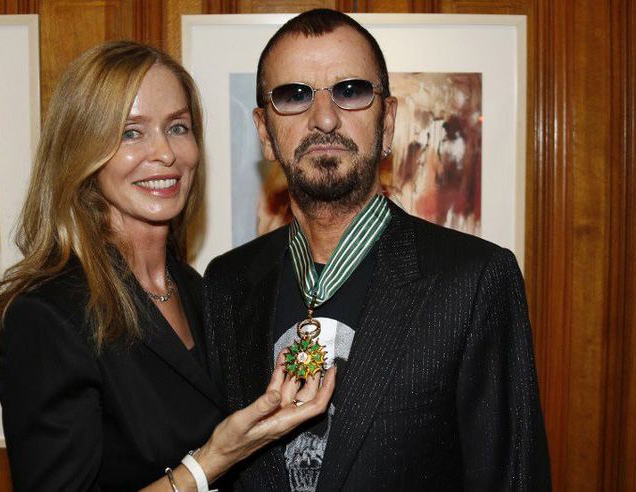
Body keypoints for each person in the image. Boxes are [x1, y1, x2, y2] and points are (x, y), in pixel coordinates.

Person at [204, 9, 551, 491]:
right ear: (265, 132)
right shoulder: (226, 283)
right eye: (294, 95)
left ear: (387, 123)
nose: (324, 118)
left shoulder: (474, 280)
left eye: (350, 91)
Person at [0, 40, 336, 491]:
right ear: (83, 150)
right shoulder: (48, 316)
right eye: (131, 132)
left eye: (177, 127)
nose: (166, 153)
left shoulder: (202, 289)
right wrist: (209, 461)